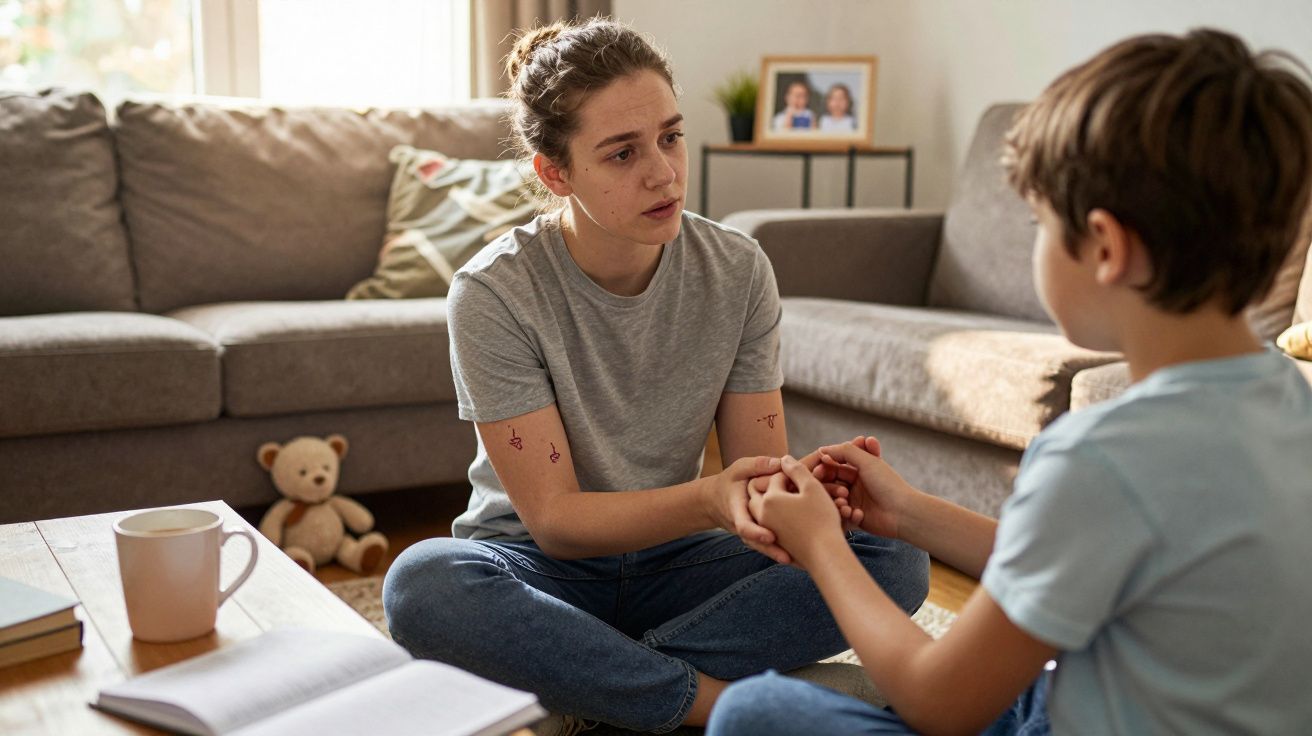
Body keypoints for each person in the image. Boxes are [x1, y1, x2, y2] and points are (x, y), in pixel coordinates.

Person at [709, 28, 1312, 736]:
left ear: (1107, 247)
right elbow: (1087, 561)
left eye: (1039, 224)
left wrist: (822, 547)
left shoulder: (1102, 456)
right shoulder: (1290, 400)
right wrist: (907, 514)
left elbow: (943, 703)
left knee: (756, 711)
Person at [381, 17, 929, 734]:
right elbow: (554, 522)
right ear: (555, 173)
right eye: (621, 153)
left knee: (894, 555)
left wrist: (805, 494)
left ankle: (591, 690)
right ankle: (707, 702)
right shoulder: (493, 292)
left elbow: (755, 478)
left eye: (671, 136)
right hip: (542, 570)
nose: (663, 172)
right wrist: (710, 499)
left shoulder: (737, 269)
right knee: (424, 585)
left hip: (684, 570)